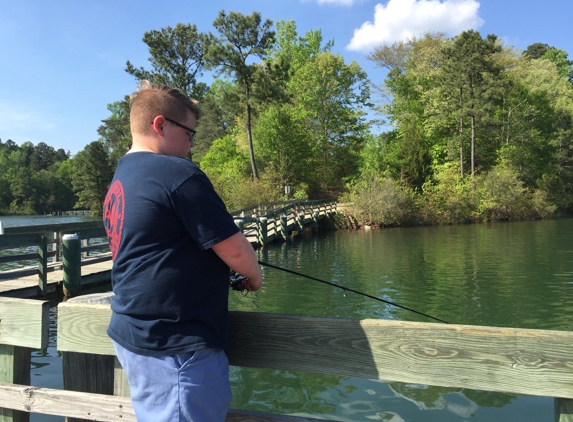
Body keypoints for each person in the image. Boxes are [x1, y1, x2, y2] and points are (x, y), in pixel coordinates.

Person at [103, 80, 262, 422]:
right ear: (159, 125)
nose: (191, 143)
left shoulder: (122, 177)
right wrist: (254, 276)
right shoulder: (176, 173)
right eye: (189, 133)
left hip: (135, 337)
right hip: (176, 349)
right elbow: (235, 249)